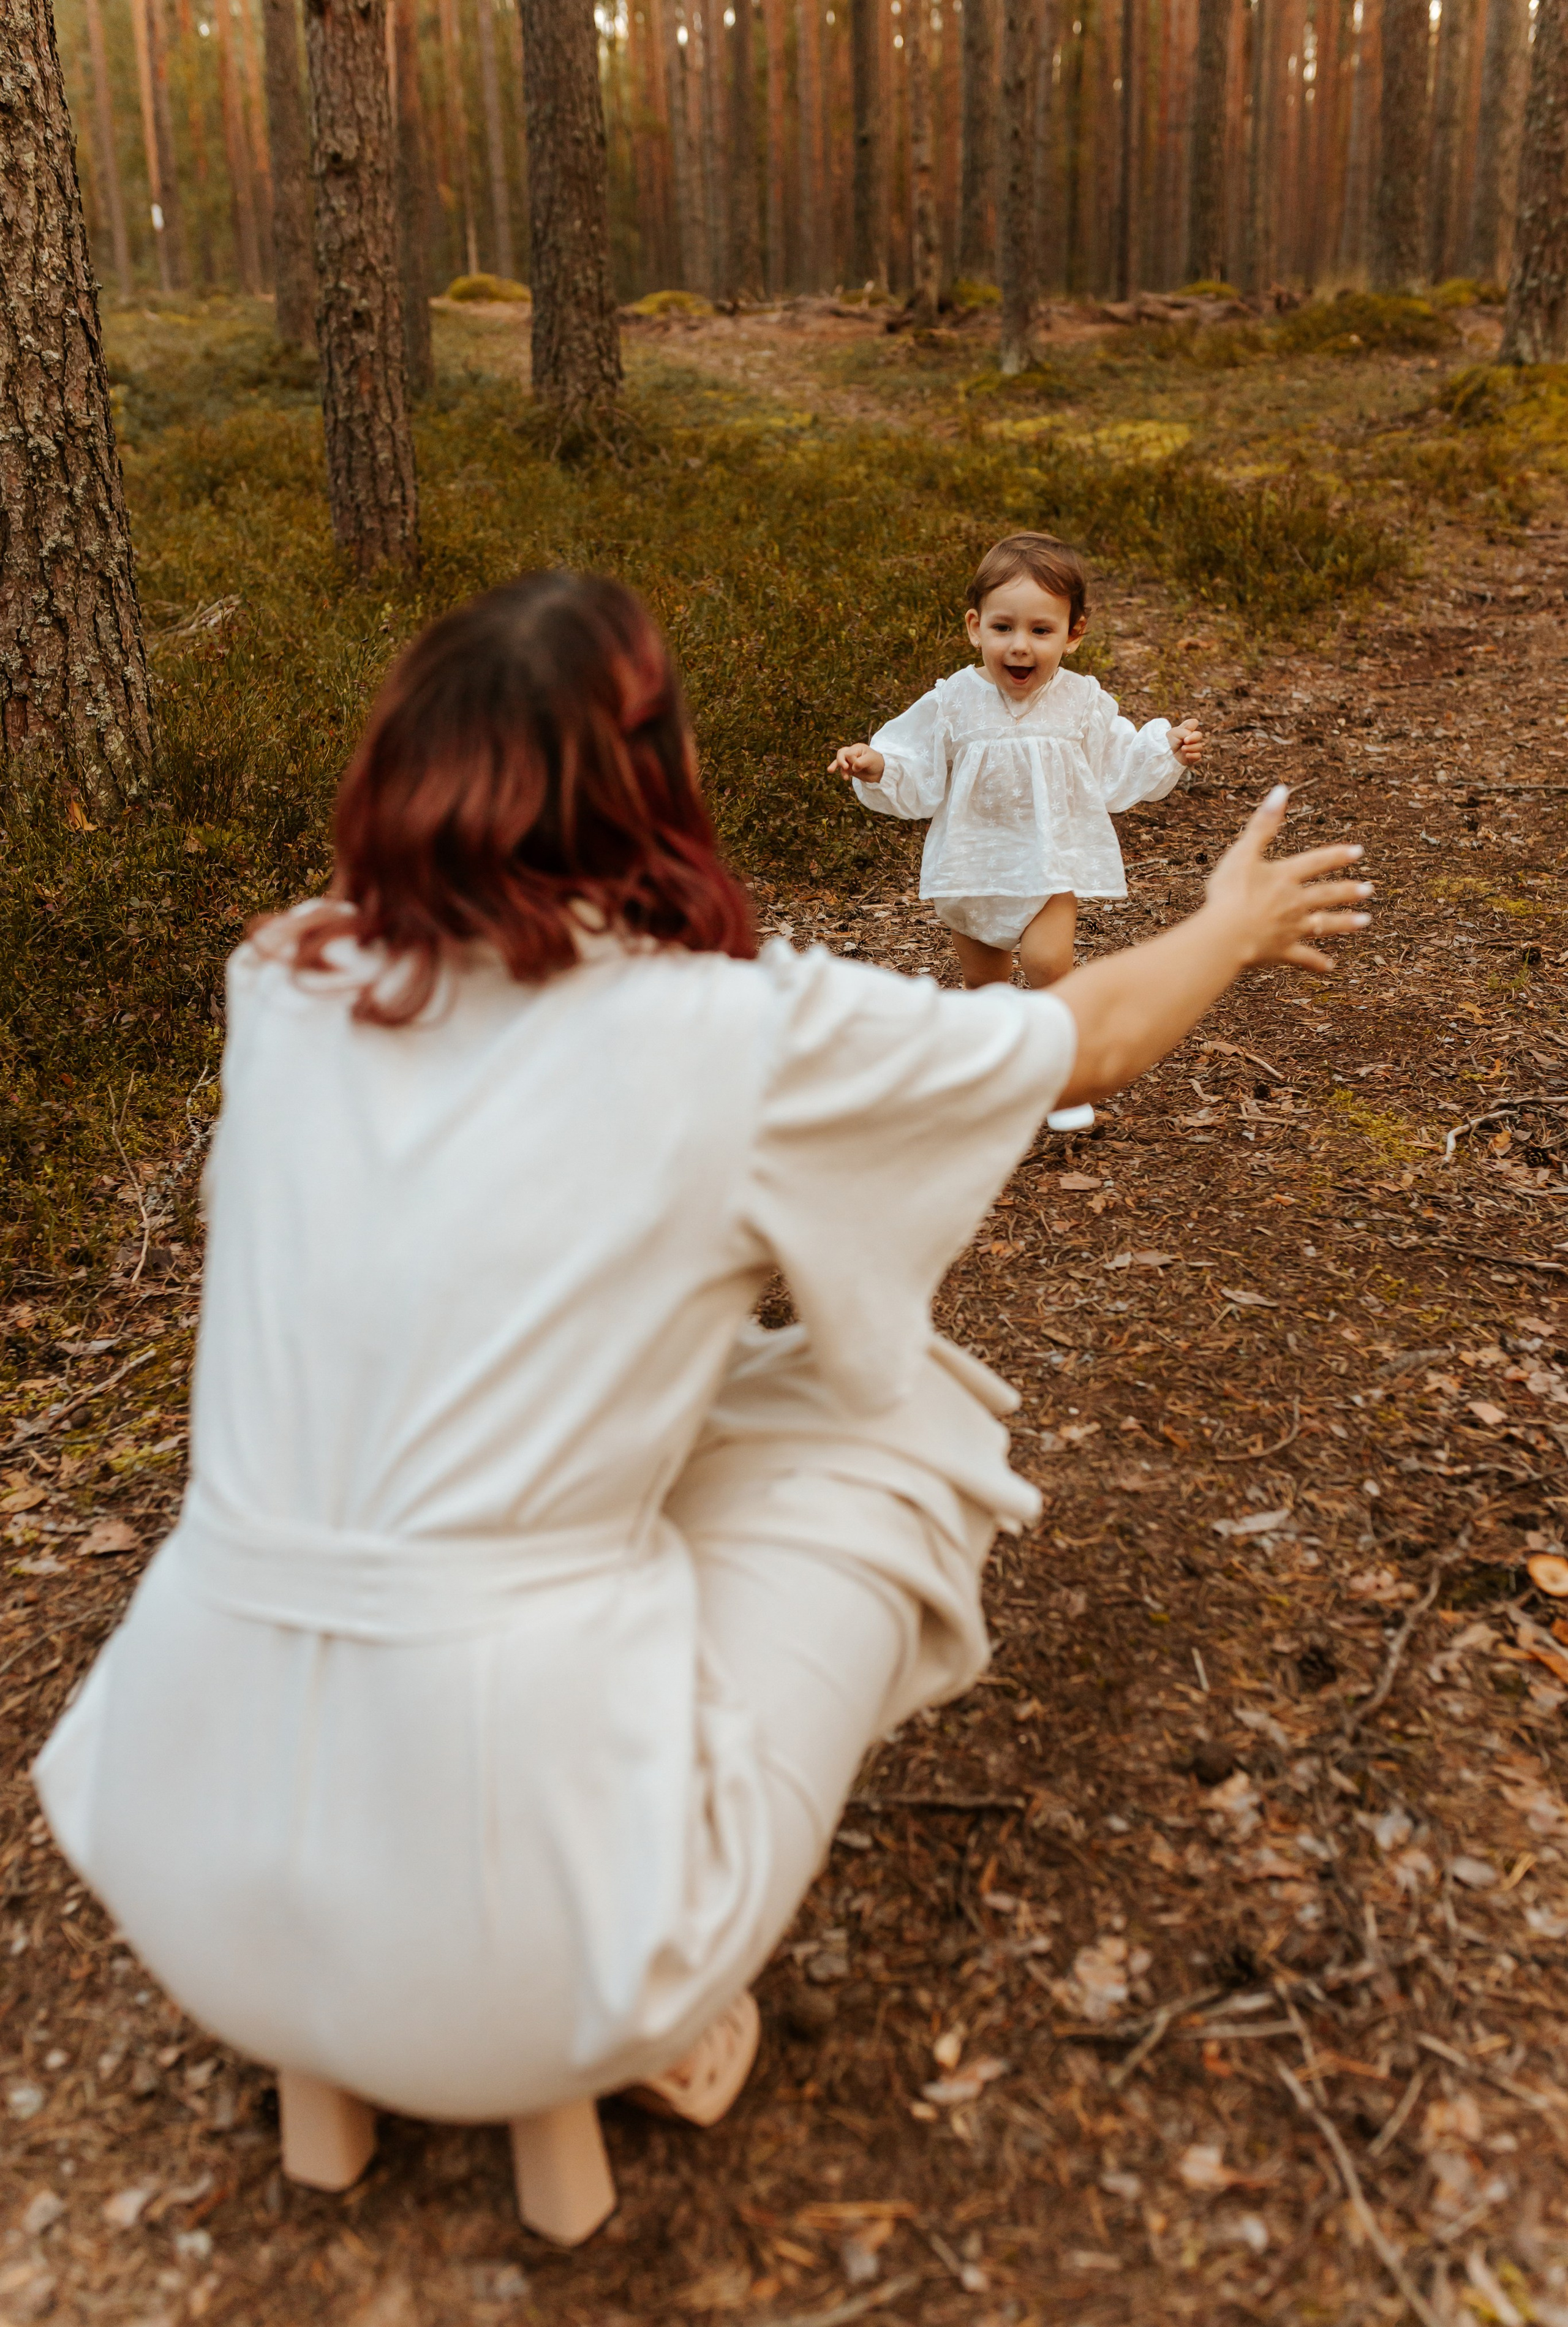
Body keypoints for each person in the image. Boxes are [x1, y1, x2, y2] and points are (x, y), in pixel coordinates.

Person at [32, 573, 1368, 2242]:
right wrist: (1227, 923)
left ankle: (339, 2055)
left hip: (180, 1856)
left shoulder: (284, 973)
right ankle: (648, 1982)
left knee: (678, 1401)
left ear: (396, 767)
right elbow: (1070, 1042)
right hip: (545, 1950)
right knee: (902, 1426)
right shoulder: (729, 1034)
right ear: (649, 775)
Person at [830, 530, 1205, 1133]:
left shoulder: (1080, 701)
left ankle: (1063, 1078)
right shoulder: (954, 700)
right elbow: (916, 766)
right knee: (986, 985)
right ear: (975, 627)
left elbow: (1115, 762)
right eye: (1003, 628)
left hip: (1048, 861)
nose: (1020, 646)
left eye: (1041, 630)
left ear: (1073, 634)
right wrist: (877, 765)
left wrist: (1166, 750)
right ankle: (1003, 1080)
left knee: (1048, 963)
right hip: (972, 866)